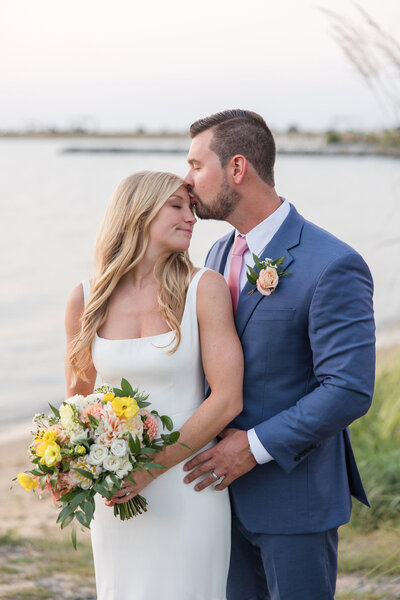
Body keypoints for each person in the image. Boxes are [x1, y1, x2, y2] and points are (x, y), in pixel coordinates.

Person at [182, 109, 376, 600]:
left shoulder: (332, 264)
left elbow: (348, 389)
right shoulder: (217, 255)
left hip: (295, 499)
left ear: (237, 168)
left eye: (195, 165)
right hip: (218, 498)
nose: (187, 182)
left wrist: (252, 447)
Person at [64, 170, 244, 600]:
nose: (192, 218)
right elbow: (77, 400)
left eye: (193, 208)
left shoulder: (205, 288)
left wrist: (153, 467)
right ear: (139, 212)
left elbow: (227, 398)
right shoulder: (86, 299)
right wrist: (74, 467)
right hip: (117, 491)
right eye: (177, 206)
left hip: (189, 485)